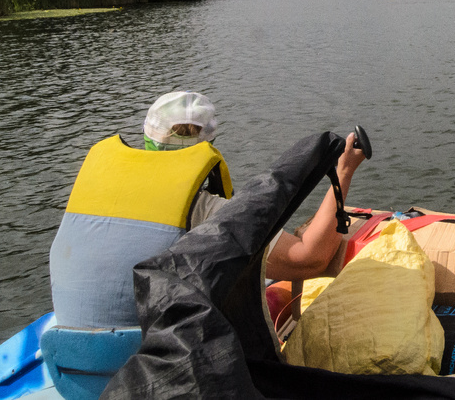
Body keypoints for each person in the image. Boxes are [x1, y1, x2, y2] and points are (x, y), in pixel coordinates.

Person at [48, 91, 365, 329]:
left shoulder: (92, 188)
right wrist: (344, 170)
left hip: (70, 363)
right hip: (151, 371)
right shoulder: (203, 209)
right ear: (208, 145)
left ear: (146, 138)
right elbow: (310, 258)